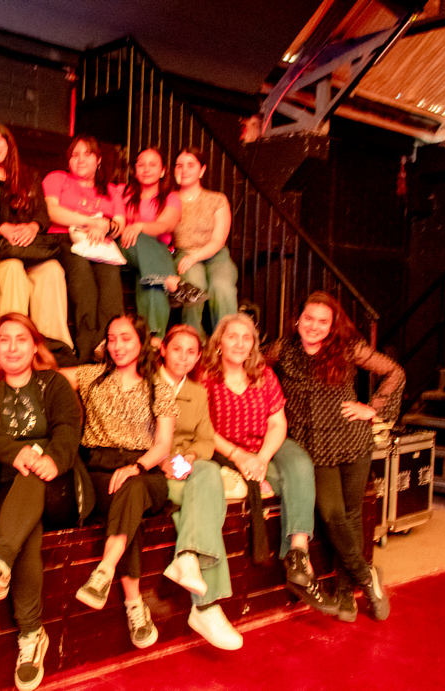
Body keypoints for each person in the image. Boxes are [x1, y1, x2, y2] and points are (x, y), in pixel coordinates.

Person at [0, 313, 94, 691]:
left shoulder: (54, 384)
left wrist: (52, 458)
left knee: (30, 481)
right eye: (4, 340)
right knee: (25, 532)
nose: (13, 347)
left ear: (35, 347)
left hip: (58, 486)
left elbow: (69, 428)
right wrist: (19, 453)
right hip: (1, 491)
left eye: (21, 339)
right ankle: (32, 636)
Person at [266, 292, 403, 622]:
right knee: (331, 514)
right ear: (297, 319)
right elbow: (247, 363)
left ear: (332, 325)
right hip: (313, 448)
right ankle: (368, 578)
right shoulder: (282, 349)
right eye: (308, 319)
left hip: (352, 440)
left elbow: (394, 372)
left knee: (352, 515)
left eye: (322, 321)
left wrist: (373, 409)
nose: (314, 326)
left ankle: (344, 594)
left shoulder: (348, 347)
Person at [200, 313, 338, 615]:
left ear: (253, 344)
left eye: (246, 338)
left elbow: (277, 423)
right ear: (219, 342)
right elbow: (203, 428)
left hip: (266, 445)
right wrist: (239, 456)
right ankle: (302, 568)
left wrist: (261, 457)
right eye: (232, 337)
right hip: (227, 449)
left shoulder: (264, 374)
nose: (240, 343)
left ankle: (298, 554)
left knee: (300, 463)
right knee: (283, 481)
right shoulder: (205, 376)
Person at [60, 315, 175, 649]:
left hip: (146, 472)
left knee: (133, 488)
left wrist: (137, 466)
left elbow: (163, 445)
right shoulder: (91, 376)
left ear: (141, 342)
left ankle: (105, 570)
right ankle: (134, 605)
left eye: (125, 338)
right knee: (128, 509)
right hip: (99, 471)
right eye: (111, 339)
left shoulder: (159, 386)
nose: (117, 346)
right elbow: (46, 377)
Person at [157, 324, 243, 650]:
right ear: (163, 350)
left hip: (185, 465)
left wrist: (189, 458)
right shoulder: (147, 385)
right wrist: (164, 462)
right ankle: (206, 606)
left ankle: (188, 558)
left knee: (208, 472)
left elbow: (205, 439)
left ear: (197, 358)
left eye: (191, 352)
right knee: (207, 499)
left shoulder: (197, 391)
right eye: (176, 349)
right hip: (153, 468)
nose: (183, 357)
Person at [0, 123, 74, 351]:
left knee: (53, 270)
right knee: (13, 270)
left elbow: (42, 215)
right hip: (0, 250)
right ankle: (13, 347)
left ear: (8, 141)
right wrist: (1, 228)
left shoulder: (29, 174)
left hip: (29, 248)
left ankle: (51, 348)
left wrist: (32, 226)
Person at [43, 135, 126, 362]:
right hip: (64, 239)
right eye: (75, 155)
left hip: (100, 243)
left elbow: (119, 224)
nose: (80, 160)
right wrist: (92, 221)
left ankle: (108, 345)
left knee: (110, 278)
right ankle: (87, 352)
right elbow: (52, 211)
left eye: (87, 154)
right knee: (82, 277)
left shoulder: (111, 190)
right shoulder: (57, 178)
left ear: (98, 160)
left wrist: (106, 226)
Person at [119, 148, 205, 339]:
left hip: (154, 258)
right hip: (125, 251)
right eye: (141, 164)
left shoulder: (171, 199)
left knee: (152, 282)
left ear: (163, 170)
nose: (146, 169)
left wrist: (139, 226)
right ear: (134, 169)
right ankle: (173, 283)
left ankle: (154, 340)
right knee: (140, 239)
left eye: (153, 164)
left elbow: (166, 225)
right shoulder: (122, 192)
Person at [172, 147, 238, 337]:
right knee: (195, 286)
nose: (184, 170)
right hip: (184, 253)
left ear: (202, 170)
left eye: (190, 165)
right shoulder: (170, 199)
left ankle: (226, 340)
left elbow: (218, 240)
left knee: (222, 287)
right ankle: (192, 341)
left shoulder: (217, 199)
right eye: (179, 165)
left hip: (215, 254)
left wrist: (195, 257)